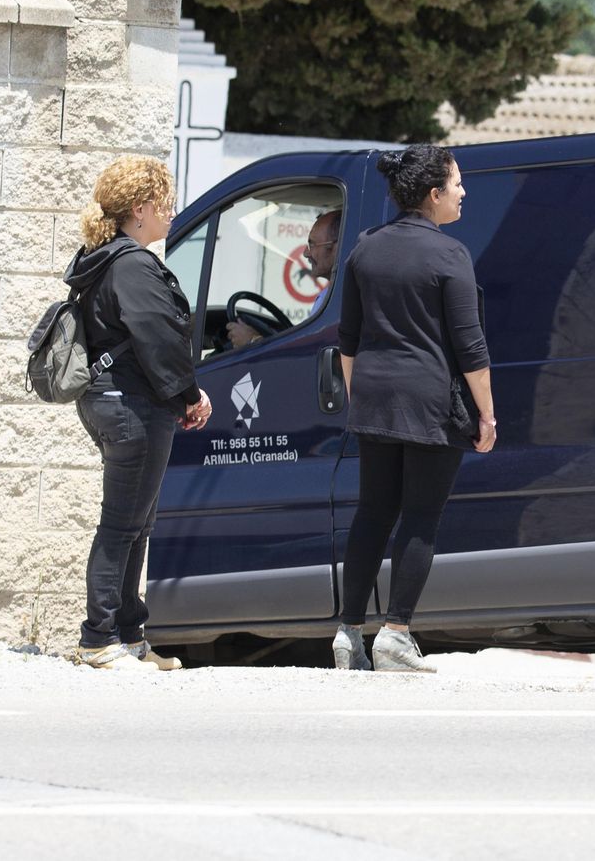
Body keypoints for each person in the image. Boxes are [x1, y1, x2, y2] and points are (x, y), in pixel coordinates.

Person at [333, 144, 497, 673]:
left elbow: (349, 341)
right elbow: (471, 351)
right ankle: (396, 633)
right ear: (434, 194)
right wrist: (487, 415)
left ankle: (346, 633)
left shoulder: (364, 248)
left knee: (372, 514)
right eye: (456, 184)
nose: (463, 192)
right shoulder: (450, 255)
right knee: (421, 517)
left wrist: (362, 399)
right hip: (431, 404)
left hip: (374, 401)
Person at [64, 156, 212, 671]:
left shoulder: (105, 258)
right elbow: (158, 339)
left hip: (111, 400)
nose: (171, 213)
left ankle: (129, 634)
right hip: (130, 405)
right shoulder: (131, 265)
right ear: (141, 209)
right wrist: (190, 395)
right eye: (165, 204)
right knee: (122, 525)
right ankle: (98, 638)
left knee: (136, 522)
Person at [226, 209, 341, 349]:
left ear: (337, 246)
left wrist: (253, 340)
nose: (305, 253)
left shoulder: (341, 297)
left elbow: (307, 353)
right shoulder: (332, 294)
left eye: (312, 244)